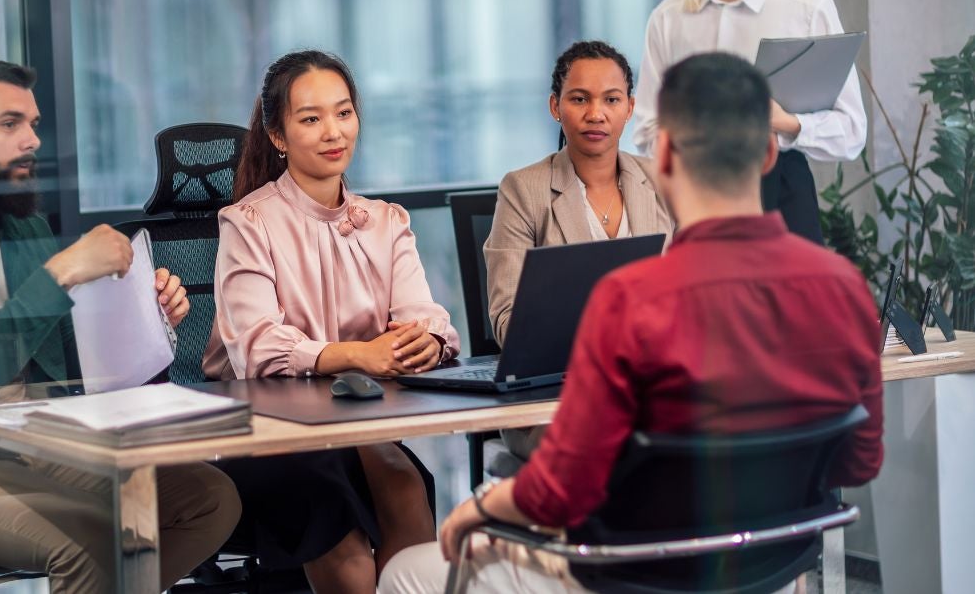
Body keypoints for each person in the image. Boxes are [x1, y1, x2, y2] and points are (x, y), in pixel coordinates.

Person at [378, 52, 885, 594]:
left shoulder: (630, 298)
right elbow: (858, 461)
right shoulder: (844, 286)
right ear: (767, 152)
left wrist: (480, 508)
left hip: (634, 575)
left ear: (662, 154)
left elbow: (562, 490)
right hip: (774, 568)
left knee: (405, 572)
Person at [0, 59, 240, 592]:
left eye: (33, 124)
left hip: (35, 449)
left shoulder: (22, 224)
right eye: (10, 124)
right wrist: (60, 273)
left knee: (209, 500)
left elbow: (74, 364)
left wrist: (150, 319)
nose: (32, 140)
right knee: (88, 543)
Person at [202, 49, 461, 592]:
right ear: (278, 135)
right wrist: (355, 354)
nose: (332, 131)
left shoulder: (386, 222)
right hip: (268, 434)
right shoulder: (247, 223)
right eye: (310, 118)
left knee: (403, 481)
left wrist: (427, 343)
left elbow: (429, 317)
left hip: (353, 424)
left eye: (343, 113)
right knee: (332, 505)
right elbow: (257, 349)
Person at [632, 0, 867, 245]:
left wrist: (786, 123)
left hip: (784, 190)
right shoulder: (668, 19)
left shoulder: (808, 9)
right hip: (696, 193)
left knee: (791, 304)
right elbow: (646, 128)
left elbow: (852, 132)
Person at [484, 40, 672, 459]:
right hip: (553, 403)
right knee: (616, 452)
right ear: (555, 106)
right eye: (579, 99)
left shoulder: (660, 182)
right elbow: (507, 321)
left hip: (649, 391)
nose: (596, 114)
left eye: (611, 99)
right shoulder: (522, 190)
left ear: (630, 108)